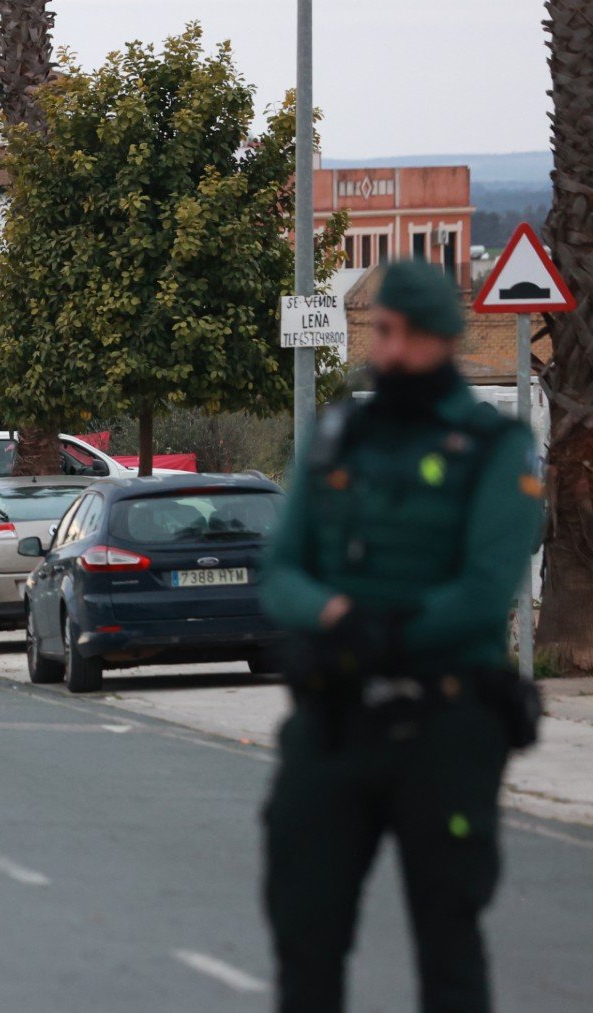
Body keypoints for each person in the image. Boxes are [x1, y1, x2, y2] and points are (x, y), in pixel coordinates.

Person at [259, 259, 544, 1013]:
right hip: (335, 721)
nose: (388, 350)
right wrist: (338, 620)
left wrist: (387, 631)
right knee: (305, 935)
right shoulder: (335, 438)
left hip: (445, 725)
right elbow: (282, 569)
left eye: (407, 335)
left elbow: (485, 590)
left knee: (448, 943)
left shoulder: (495, 448)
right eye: (383, 330)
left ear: (445, 338)